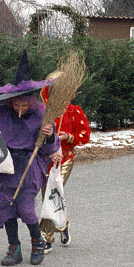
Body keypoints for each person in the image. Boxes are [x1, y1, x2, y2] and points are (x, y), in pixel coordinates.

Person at [0, 50, 60, 266]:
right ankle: (14, 248)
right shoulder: (0, 113)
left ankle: (37, 242)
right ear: (10, 102)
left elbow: (50, 147)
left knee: (25, 207)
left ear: (31, 101)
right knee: (5, 206)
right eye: (16, 105)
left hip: (29, 166)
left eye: (24, 105)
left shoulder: (41, 115)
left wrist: (49, 136)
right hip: (3, 165)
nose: (20, 109)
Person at [38, 72, 91, 253]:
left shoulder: (73, 111)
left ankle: (45, 238)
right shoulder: (40, 110)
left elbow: (84, 136)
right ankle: (62, 223)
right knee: (49, 195)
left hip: (64, 160)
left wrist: (67, 137)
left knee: (50, 194)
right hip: (43, 160)